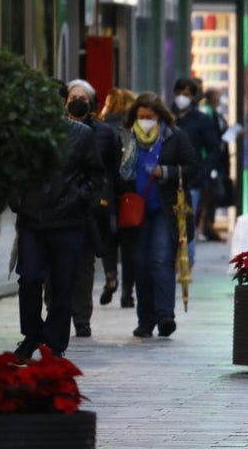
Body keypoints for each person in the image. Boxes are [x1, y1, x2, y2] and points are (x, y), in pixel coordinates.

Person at [13, 110, 105, 358]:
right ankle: (32, 335)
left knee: (63, 286)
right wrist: (17, 201)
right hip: (32, 220)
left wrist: (77, 198)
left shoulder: (81, 134)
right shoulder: (23, 133)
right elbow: (12, 171)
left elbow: (96, 175)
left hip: (68, 221)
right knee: (29, 279)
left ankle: (55, 344)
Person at [118, 92, 199, 339]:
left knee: (160, 260)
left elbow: (193, 166)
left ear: (159, 117)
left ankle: (165, 315)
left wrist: (165, 171)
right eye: (141, 117)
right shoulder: (126, 138)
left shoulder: (174, 137)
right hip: (136, 211)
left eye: (150, 117)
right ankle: (145, 320)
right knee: (140, 265)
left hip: (165, 209)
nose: (145, 121)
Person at [64, 79, 120, 338]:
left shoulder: (103, 133)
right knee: (57, 268)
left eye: (83, 98)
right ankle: (58, 312)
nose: (78, 102)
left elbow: (106, 171)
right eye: (73, 97)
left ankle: (81, 319)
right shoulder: (55, 130)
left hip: (87, 209)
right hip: (57, 208)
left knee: (84, 265)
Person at [170, 78, 220, 263]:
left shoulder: (202, 120)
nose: (181, 98)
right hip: (168, 177)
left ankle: (186, 260)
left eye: (186, 94)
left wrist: (203, 171)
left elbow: (215, 148)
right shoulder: (167, 117)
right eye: (179, 93)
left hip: (192, 180)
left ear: (193, 97)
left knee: (188, 220)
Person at [99, 87, 138, 307]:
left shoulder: (102, 129)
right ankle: (127, 292)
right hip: (128, 193)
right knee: (129, 245)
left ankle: (111, 275)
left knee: (109, 240)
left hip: (106, 193)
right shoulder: (131, 131)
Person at [198, 87, 232, 242]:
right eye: (218, 95)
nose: (219, 99)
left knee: (215, 193)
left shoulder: (215, 113)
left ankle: (207, 225)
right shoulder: (207, 113)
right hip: (210, 162)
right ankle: (206, 226)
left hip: (217, 160)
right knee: (213, 193)